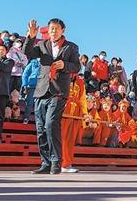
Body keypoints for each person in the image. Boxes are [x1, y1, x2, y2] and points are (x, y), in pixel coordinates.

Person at [24, 18, 81, 175]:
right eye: (50, 29)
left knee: (51, 124)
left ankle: (56, 161)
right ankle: (45, 162)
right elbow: (27, 53)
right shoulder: (42, 45)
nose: (53, 31)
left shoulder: (71, 47)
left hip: (58, 91)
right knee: (41, 128)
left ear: (63, 30)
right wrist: (30, 37)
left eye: (56, 28)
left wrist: (65, 65)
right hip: (41, 90)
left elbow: (77, 66)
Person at [61, 74, 88, 173]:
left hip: (75, 114)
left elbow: (83, 99)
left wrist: (85, 113)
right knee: (62, 138)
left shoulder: (80, 82)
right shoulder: (61, 77)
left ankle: (67, 164)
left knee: (70, 140)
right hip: (63, 112)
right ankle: (59, 163)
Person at [0, 43, 15, 143]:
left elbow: (5, 68)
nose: (0, 51)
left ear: (6, 52)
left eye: (2, 50)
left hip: (1, 92)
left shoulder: (9, 61)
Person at [21, 57, 40, 124]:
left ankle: (38, 121)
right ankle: (26, 118)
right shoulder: (32, 63)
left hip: (42, 87)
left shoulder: (47, 63)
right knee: (29, 103)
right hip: (31, 85)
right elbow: (25, 74)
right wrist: (25, 85)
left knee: (39, 105)